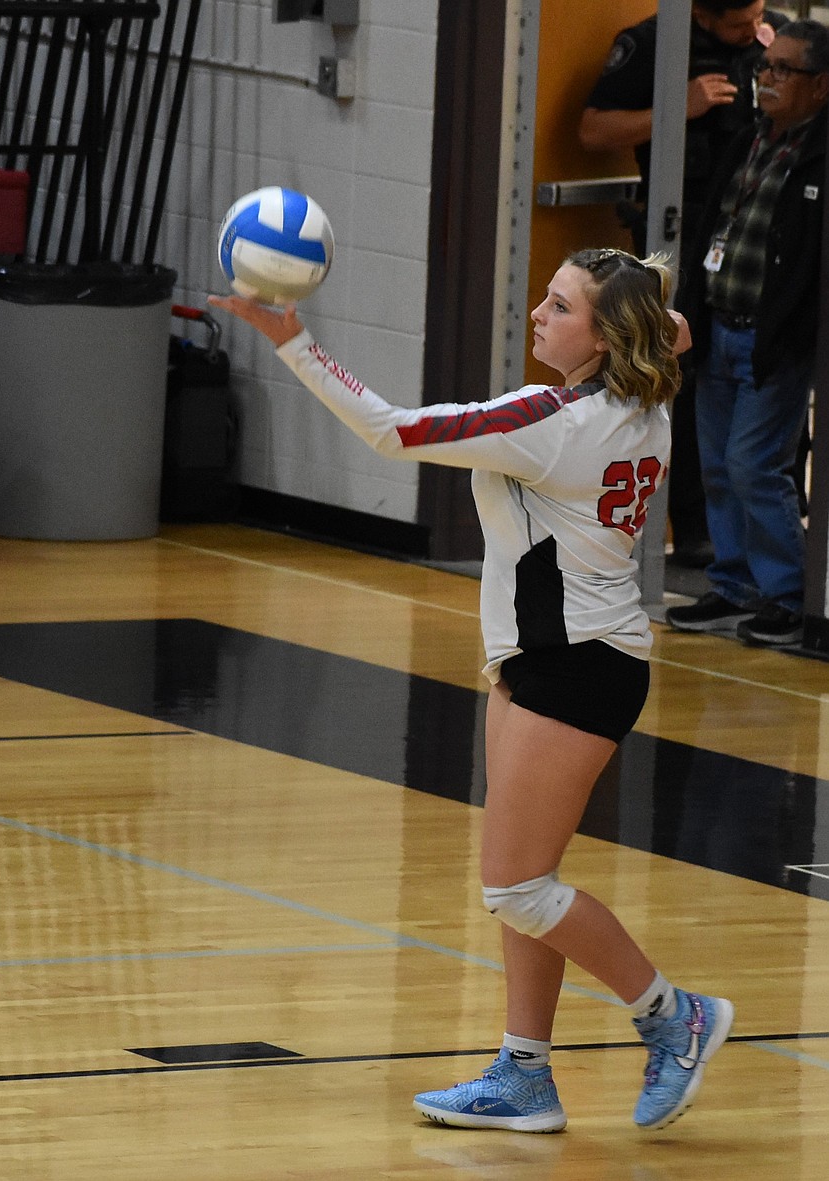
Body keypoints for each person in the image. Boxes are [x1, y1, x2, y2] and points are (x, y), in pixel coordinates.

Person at [210, 249, 734, 1134]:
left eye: (559, 305)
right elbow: (669, 328)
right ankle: (524, 1072)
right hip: (559, 656)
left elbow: (389, 429)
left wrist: (292, 338)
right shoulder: (650, 385)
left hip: (573, 662)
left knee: (518, 887)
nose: (537, 311)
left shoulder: (548, 423)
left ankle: (670, 1016)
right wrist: (647, 289)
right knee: (527, 877)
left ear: (604, 337)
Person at [579, 2, 787, 571]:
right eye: (735, 27)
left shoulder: (783, 44)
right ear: (700, 11)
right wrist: (678, 107)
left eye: (755, 17)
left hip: (764, 241)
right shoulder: (654, 43)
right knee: (686, 379)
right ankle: (694, 531)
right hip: (683, 235)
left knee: (764, 380)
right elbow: (593, 128)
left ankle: (765, 539)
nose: (750, 33)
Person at [666, 19, 829, 648]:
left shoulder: (818, 155)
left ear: (821, 85)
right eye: (766, 68)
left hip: (773, 342)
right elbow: (713, 229)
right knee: (715, 466)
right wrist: (691, 319)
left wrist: (788, 330)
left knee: (754, 465)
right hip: (720, 329)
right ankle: (731, 585)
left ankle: (787, 595)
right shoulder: (749, 140)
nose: (768, 80)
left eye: (784, 70)